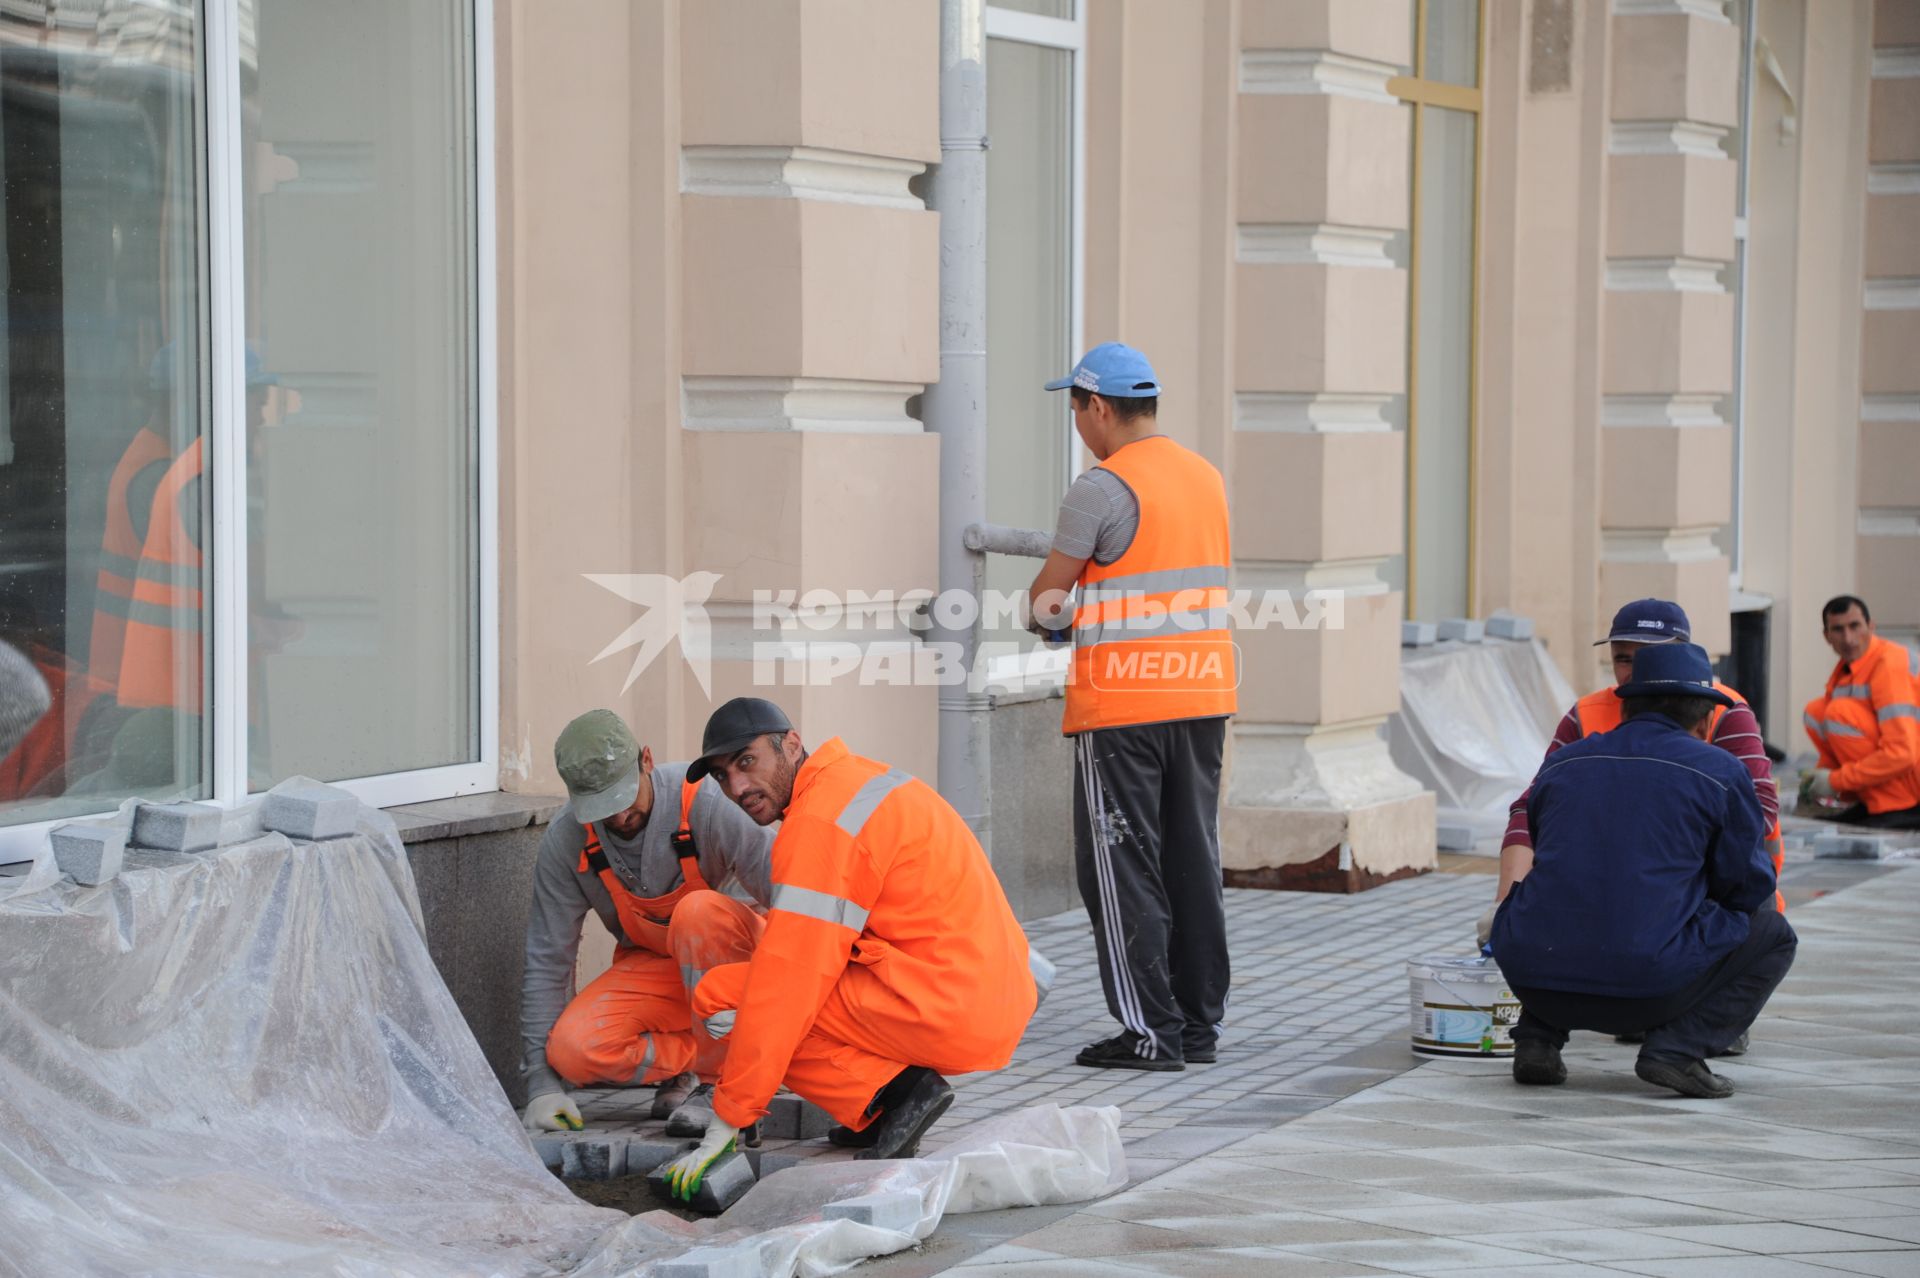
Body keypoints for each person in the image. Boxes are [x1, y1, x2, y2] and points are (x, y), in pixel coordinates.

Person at [661, 698, 1034, 1200]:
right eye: (722, 776)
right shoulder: (855, 782)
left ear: (791, 744)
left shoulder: (819, 826)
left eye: (746, 762)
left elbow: (788, 985)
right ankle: (878, 1105)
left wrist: (730, 1114)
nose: (737, 788)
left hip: (949, 1003)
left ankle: (896, 1095)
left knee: (729, 998)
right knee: (768, 973)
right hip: (980, 988)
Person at [1024, 342, 1236, 1073]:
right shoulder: (1205, 476)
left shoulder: (1101, 489)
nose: (1078, 423)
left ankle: (1150, 1033)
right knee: (1191, 858)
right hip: (1203, 696)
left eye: (1077, 408)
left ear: (1100, 408)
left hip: (1124, 709)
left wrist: (1052, 619)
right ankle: (1198, 1027)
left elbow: (1049, 598)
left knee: (1121, 870)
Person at [1491, 643, 1796, 1099]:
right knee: (1773, 932)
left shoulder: (1563, 762)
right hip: (1644, 993)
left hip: (1533, 978)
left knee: (1556, 901)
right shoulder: (1720, 771)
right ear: (1706, 720)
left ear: (1624, 704)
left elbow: (1546, 849)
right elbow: (1748, 886)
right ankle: (1677, 1049)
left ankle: (1537, 1039)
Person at [519, 709, 774, 1136]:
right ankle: (702, 1058)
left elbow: (793, 896)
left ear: (647, 761)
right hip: (662, 967)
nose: (618, 819)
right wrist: (541, 1088)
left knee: (697, 913)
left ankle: (726, 1084)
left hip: (742, 970)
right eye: (601, 808)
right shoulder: (567, 840)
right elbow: (548, 960)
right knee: (573, 1051)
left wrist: (809, 1003)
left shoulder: (708, 801)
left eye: (622, 799)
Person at [1494, 599, 1783, 919]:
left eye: (1649, 656)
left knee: (1769, 932)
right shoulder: (1585, 715)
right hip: (1604, 895)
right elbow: (1531, 806)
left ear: (1683, 654)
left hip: (1701, 895)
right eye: (1622, 659)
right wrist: (1505, 906)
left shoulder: (1723, 710)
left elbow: (1758, 813)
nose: (1634, 673)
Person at [1802, 595, 1920, 830]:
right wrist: (1819, 779)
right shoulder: (1851, 669)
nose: (1848, 638)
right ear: (1826, 636)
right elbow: (1846, 743)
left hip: (1912, 790)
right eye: (1838, 629)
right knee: (1816, 712)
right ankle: (1869, 800)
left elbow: (1903, 753)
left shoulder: (1888, 664)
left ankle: (1896, 805)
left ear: (1871, 626)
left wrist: (1835, 781)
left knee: (1838, 713)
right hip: (1900, 777)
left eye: (1855, 626)